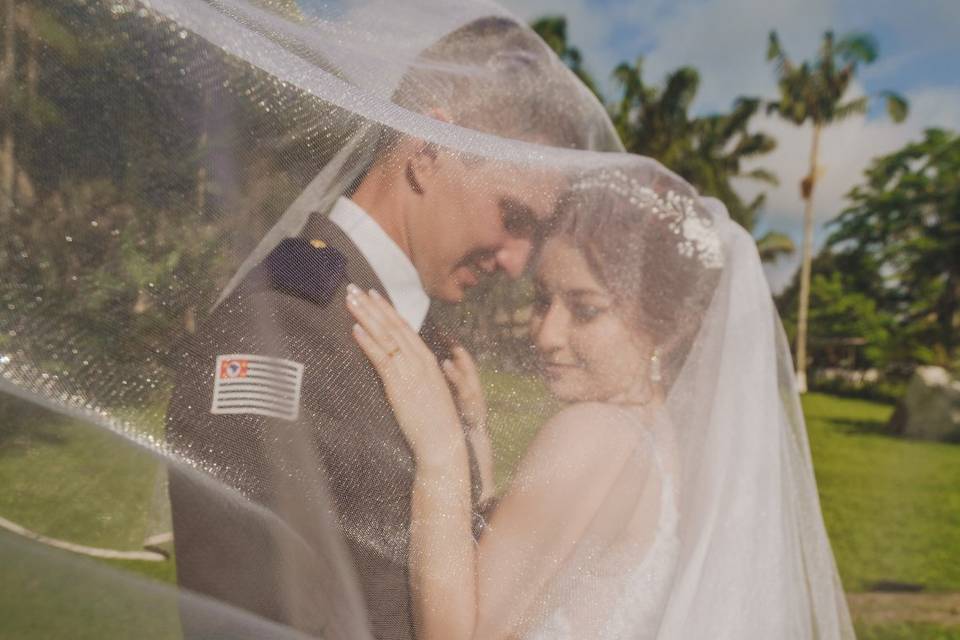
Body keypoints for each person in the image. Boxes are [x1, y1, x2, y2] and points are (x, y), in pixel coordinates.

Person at [165, 15, 619, 640]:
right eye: (512, 217)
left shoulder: (429, 344)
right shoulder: (280, 328)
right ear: (428, 152)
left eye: (535, 233)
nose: (518, 262)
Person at [345, 165, 855, 639]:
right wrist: (475, 429)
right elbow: (529, 555)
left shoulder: (596, 433)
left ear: (667, 326)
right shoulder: (662, 438)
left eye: (585, 310)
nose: (546, 334)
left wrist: (440, 450)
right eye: (543, 300)